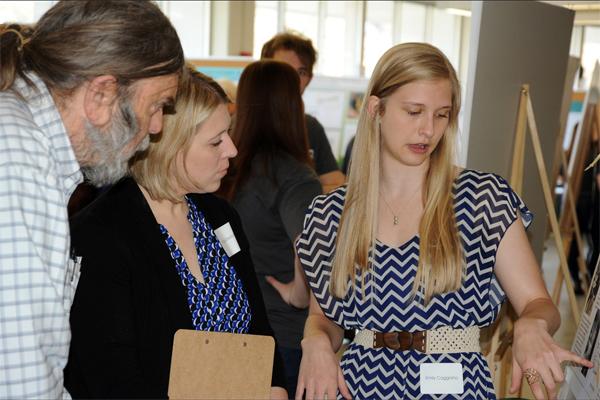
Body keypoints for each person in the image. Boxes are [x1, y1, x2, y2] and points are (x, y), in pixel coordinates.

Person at [295, 42, 593, 400]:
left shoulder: (481, 199)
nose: (428, 130)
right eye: (414, 111)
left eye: (441, 115)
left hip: (453, 385)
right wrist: (314, 340)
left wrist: (531, 324)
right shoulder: (332, 214)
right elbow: (325, 317)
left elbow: (538, 303)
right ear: (376, 109)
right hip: (358, 385)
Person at [64, 68, 287, 399]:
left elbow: (258, 328)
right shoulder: (103, 234)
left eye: (228, 134)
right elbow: (110, 375)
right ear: (168, 145)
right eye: (216, 141)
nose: (232, 150)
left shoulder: (220, 217)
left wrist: (276, 386)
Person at [0, 2, 183, 397]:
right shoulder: (18, 159)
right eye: (156, 106)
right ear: (101, 94)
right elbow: (21, 381)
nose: (156, 128)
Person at [220, 60, 322, 397]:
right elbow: (311, 245)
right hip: (283, 337)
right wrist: (298, 291)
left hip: (229, 331)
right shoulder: (293, 176)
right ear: (293, 106)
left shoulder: (225, 170)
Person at [261, 31, 345, 193]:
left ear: (309, 79)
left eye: (301, 72)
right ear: (263, 72)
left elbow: (338, 185)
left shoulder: (310, 127)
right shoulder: (243, 124)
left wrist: (299, 191)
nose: (292, 78)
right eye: (283, 69)